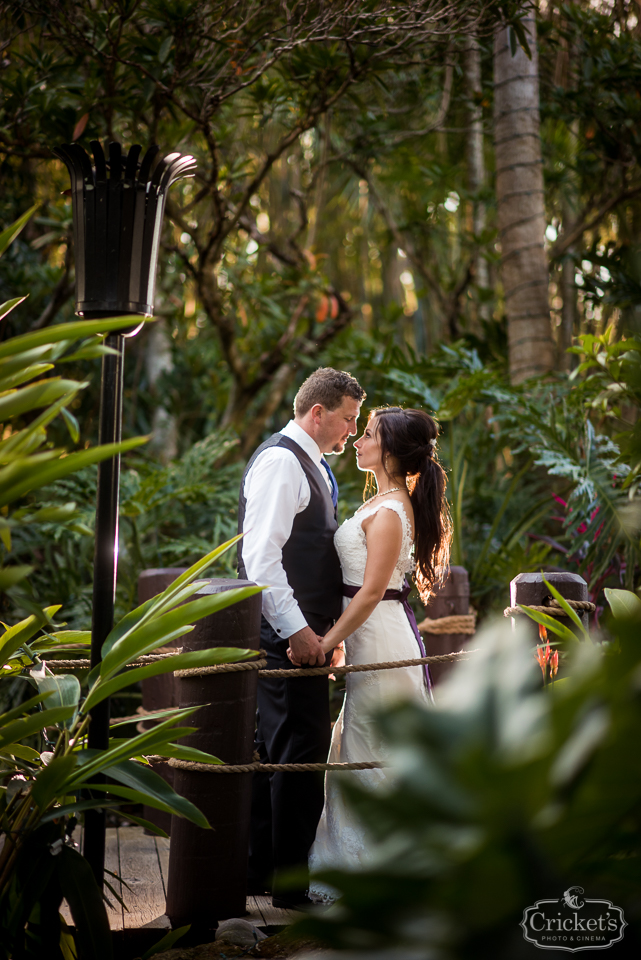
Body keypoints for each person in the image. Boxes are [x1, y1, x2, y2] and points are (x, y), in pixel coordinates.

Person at [296, 406, 451, 898]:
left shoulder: (389, 511)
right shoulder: (383, 500)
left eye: (367, 435)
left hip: (382, 638)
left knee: (376, 749)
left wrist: (327, 641)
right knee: (362, 745)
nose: (358, 441)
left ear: (389, 451)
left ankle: (385, 870)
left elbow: (369, 592)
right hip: (367, 637)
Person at [237, 367, 366, 908]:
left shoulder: (310, 462)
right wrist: (297, 631)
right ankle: (287, 887)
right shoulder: (281, 462)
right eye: (348, 419)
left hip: (307, 635)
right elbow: (260, 558)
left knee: (287, 750)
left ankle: (266, 874)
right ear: (318, 413)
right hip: (287, 638)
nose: (352, 433)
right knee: (297, 753)